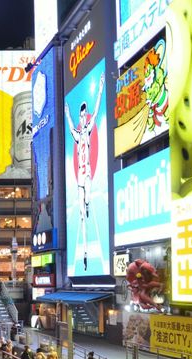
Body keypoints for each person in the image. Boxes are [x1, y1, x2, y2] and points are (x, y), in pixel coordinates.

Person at [65, 72, 105, 272]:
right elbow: (70, 125)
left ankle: (87, 205)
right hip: (80, 177)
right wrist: (66, 113)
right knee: (81, 214)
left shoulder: (88, 129)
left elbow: (97, 111)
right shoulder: (77, 133)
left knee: (88, 199)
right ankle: (85, 255)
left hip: (87, 172)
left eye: (83, 113)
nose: (83, 116)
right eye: (81, 114)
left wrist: (99, 90)